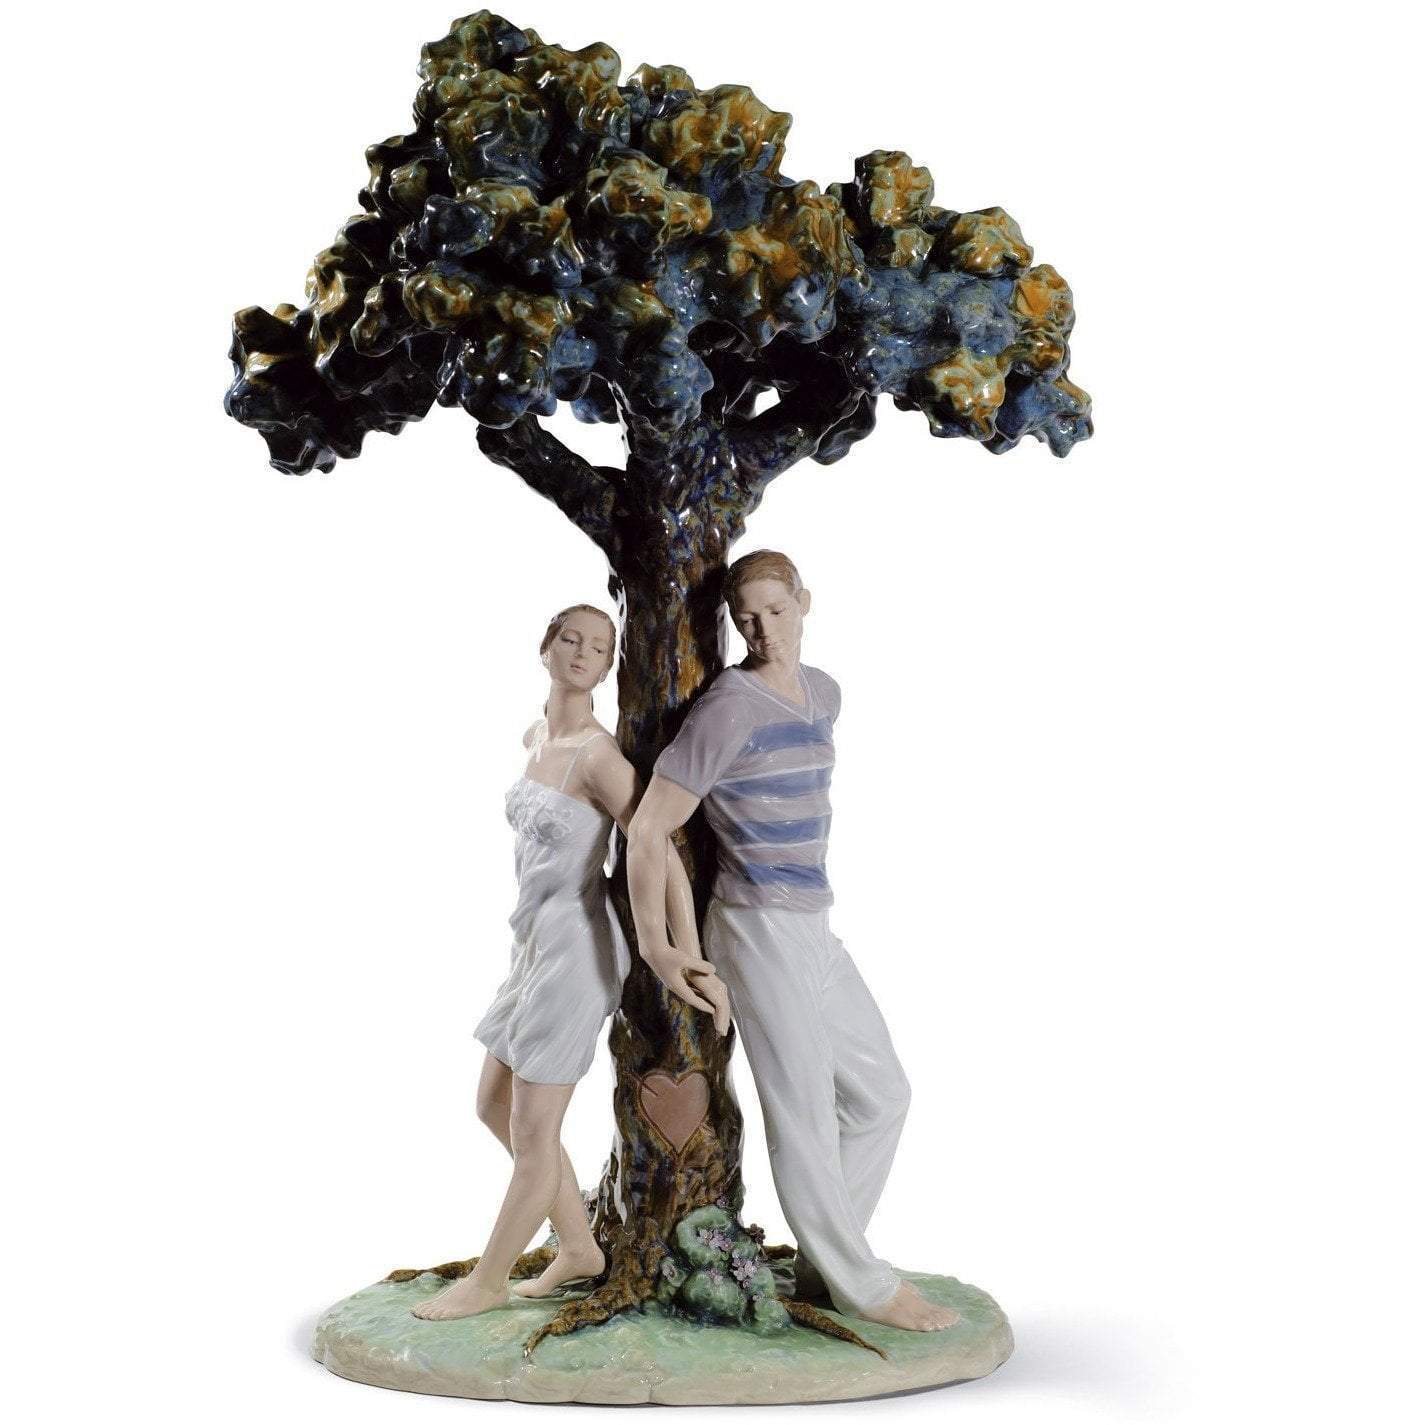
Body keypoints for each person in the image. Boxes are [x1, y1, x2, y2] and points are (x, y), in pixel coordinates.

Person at [627, 551, 958, 1332]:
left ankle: (826, 1261)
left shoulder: (824, 694)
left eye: (775, 610)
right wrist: (660, 945)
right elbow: (647, 826)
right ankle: (864, 1285)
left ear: (804, 602)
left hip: (813, 918)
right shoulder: (727, 708)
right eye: (745, 617)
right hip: (754, 924)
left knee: (881, 1094)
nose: (762, 629)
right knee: (802, 1106)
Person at [413, 604, 728, 1321]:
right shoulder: (536, 736)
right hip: (528, 945)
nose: (584, 653)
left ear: (610, 664)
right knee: (491, 1105)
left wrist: (679, 949)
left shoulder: (596, 756)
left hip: (574, 953)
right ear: (546, 647)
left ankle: (488, 1281)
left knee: (533, 1134)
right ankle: (581, 1247)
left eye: (600, 646)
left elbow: (655, 847)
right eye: (571, 639)